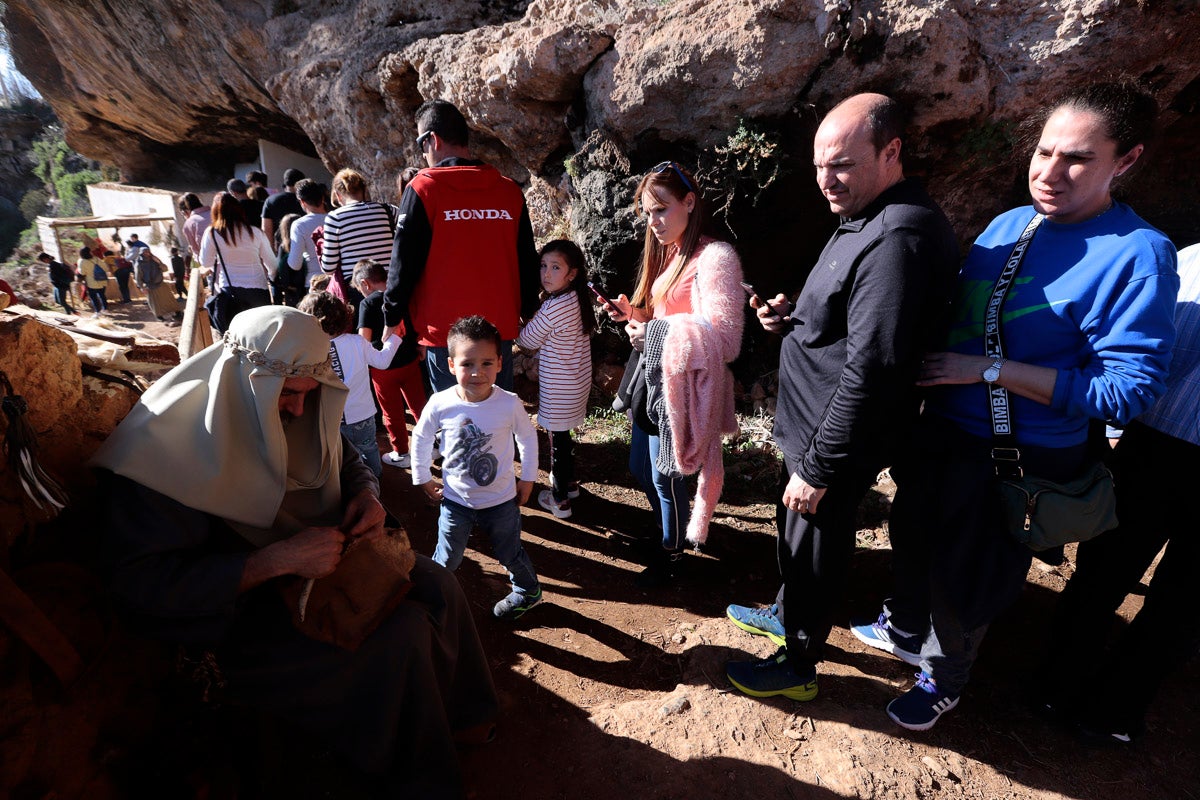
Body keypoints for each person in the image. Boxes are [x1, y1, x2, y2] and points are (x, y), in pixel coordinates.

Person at [850, 80, 1178, 732]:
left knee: (968, 582)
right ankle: (906, 626)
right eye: (1044, 151)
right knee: (914, 538)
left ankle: (945, 679)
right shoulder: (1012, 222)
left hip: (1016, 457)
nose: (1050, 172)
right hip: (941, 430)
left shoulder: (1140, 255)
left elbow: (1128, 391)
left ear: (1128, 160)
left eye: (1076, 159)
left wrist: (990, 371)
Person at [92, 306, 498, 796]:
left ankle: (466, 718)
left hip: (315, 574)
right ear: (246, 382)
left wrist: (366, 495)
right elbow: (140, 586)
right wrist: (273, 562)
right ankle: (419, 780)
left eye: (308, 396)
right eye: (286, 395)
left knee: (436, 582)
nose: (300, 411)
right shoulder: (160, 454)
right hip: (236, 617)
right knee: (401, 637)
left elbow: (346, 457)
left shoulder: (296, 402)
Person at [722, 93, 960, 702]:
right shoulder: (865, 215)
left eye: (844, 166)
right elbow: (850, 322)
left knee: (814, 544)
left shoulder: (897, 238)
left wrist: (820, 465)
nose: (827, 181)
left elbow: (876, 365)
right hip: (809, 428)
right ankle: (786, 611)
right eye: (820, 166)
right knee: (796, 538)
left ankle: (797, 664)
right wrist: (793, 320)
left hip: (834, 439)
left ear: (891, 151)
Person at [1033, 241, 1198, 744]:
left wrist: (1111, 425)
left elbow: (1142, 345)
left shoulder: (1187, 258)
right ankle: (1110, 708)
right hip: (1155, 442)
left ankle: (1056, 686)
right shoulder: (1186, 258)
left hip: (1155, 442)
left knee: (1108, 571)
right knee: (1179, 599)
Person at [605, 161, 744, 585]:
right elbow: (667, 317)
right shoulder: (670, 254)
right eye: (647, 213)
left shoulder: (714, 258)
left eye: (661, 209)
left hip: (679, 393)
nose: (653, 221)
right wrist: (635, 316)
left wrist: (657, 334)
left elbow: (725, 339)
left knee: (665, 477)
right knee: (642, 468)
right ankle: (671, 536)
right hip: (654, 383)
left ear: (689, 202)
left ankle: (672, 554)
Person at [383, 99, 540, 393]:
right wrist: (530, 308)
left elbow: (403, 262)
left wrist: (391, 316)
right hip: (498, 332)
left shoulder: (422, 189)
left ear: (432, 140)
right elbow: (527, 259)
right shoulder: (508, 191)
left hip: (445, 335)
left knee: (454, 425)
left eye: (421, 144)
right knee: (497, 416)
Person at [411, 315, 542, 620]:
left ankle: (528, 590)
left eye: (486, 363)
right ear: (451, 365)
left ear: (499, 363)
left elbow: (527, 437)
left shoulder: (509, 403)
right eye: (468, 363)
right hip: (455, 501)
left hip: (502, 502)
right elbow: (420, 436)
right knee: (446, 557)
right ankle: (433, 597)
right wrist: (421, 476)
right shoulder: (441, 403)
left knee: (509, 552)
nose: (477, 372)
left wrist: (528, 478)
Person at [517, 240, 595, 519]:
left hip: (558, 388)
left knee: (556, 446)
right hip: (576, 382)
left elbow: (527, 341)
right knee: (564, 440)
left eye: (555, 267)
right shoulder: (577, 297)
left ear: (571, 273)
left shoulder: (554, 307)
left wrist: (516, 322)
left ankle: (560, 500)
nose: (546, 274)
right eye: (543, 266)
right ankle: (570, 484)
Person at [298, 291, 401, 477]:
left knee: (339, 457)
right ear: (343, 314)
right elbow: (383, 362)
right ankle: (374, 480)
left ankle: (348, 487)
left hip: (331, 418)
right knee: (369, 449)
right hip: (363, 415)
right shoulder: (357, 342)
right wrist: (396, 338)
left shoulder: (310, 351)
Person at [353, 258, 427, 470]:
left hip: (383, 369)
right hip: (410, 360)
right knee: (418, 404)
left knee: (392, 412)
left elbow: (364, 339)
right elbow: (416, 322)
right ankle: (432, 445)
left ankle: (402, 452)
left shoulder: (367, 303)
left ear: (365, 284)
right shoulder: (401, 295)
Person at [320, 168, 397, 311]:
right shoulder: (388, 211)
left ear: (338, 195)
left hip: (358, 290)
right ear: (363, 189)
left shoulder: (335, 218)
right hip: (391, 283)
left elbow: (328, 267)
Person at [199, 192, 276, 332]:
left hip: (230, 291)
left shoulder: (212, 233)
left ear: (215, 211)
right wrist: (271, 277)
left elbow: (205, 262)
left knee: (235, 335)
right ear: (239, 209)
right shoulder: (255, 232)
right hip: (258, 289)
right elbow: (272, 264)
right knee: (262, 333)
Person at [286, 179, 330, 298]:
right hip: (339, 280)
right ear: (322, 198)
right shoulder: (337, 218)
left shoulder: (299, 225)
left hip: (314, 282)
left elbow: (295, 264)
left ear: (302, 202)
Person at [261, 167, 306, 251]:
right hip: (307, 246)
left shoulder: (271, 200)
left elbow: (266, 229)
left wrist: (270, 251)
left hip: (282, 248)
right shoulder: (308, 200)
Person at [134, 250, 182, 325]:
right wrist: (141, 287)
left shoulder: (154, 260)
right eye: (145, 252)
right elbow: (138, 277)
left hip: (161, 283)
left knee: (169, 298)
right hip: (150, 286)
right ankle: (159, 316)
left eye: (148, 252)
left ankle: (177, 312)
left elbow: (165, 269)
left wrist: (159, 262)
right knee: (155, 303)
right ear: (141, 254)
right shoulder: (139, 264)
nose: (147, 254)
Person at [78, 246, 109, 317]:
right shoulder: (97, 259)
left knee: (94, 297)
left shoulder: (82, 261)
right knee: (102, 295)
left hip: (92, 283)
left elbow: (82, 273)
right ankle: (105, 309)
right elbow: (106, 268)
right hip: (102, 281)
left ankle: (98, 312)